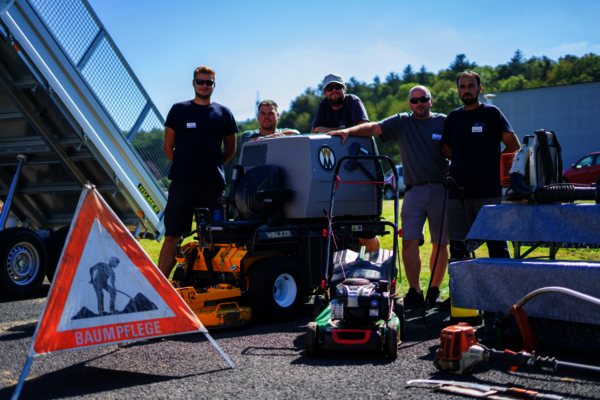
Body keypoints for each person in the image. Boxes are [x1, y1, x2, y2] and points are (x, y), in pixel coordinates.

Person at [328, 85, 450, 309]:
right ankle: (415, 291)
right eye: (414, 100)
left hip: (441, 189)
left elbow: (460, 147)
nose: (419, 103)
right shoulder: (402, 121)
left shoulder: (444, 121)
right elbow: (374, 127)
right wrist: (349, 131)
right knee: (408, 241)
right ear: (409, 104)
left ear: (431, 101)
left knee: (440, 243)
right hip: (413, 191)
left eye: (423, 99)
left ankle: (434, 291)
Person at [158, 66, 238, 278]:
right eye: (200, 81)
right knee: (173, 236)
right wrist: (184, 166)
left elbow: (230, 149)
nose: (204, 85)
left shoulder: (224, 113)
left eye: (208, 82)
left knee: (211, 237)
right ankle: (158, 286)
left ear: (214, 85)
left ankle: (210, 284)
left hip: (212, 185)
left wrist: (213, 165)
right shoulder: (179, 110)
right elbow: (168, 146)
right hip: (182, 183)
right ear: (193, 83)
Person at [441, 71, 521, 260]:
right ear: (458, 90)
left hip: (488, 192)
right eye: (462, 86)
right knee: (459, 251)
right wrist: (463, 159)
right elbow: (445, 148)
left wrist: (493, 163)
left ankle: (503, 289)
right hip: (457, 194)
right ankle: (464, 289)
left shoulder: (491, 113)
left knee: (497, 249)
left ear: (479, 88)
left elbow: (513, 145)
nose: (466, 90)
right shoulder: (452, 117)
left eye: (470, 86)